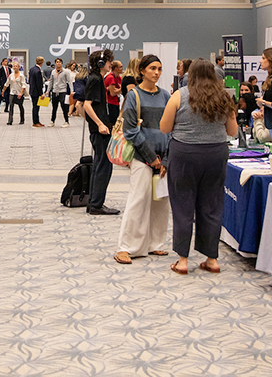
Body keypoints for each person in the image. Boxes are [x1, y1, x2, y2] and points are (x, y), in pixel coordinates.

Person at [160, 59, 237, 275]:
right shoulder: (225, 97)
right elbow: (232, 131)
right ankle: (211, 258)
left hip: (184, 154)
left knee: (183, 205)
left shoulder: (180, 95)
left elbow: (164, 127)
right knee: (212, 205)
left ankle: (183, 260)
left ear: (189, 74)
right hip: (215, 154)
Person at [114, 55, 171, 265]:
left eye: (159, 69)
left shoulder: (166, 96)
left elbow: (171, 128)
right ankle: (126, 247)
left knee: (161, 202)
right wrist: (150, 157)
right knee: (138, 200)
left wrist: (165, 158)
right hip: (141, 157)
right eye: (152, 68)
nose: (156, 73)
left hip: (163, 158)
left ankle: (155, 244)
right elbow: (130, 131)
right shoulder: (134, 95)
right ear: (142, 71)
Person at [82, 49, 118, 215]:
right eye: (109, 61)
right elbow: (87, 105)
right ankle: (96, 204)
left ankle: (94, 203)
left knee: (100, 165)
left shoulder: (96, 79)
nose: (112, 64)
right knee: (104, 166)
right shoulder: (96, 80)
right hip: (100, 130)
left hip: (100, 129)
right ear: (102, 63)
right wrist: (100, 124)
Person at [49, 57, 72, 126]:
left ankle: (66, 121)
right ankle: (52, 121)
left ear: (61, 63)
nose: (58, 63)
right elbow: (51, 81)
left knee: (64, 107)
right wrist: (48, 91)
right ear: (55, 63)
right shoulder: (53, 72)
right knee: (54, 108)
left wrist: (72, 90)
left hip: (62, 91)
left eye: (59, 62)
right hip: (54, 91)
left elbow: (69, 81)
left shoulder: (65, 72)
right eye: (57, 62)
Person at [104, 60, 123, 125]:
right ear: (116, 68)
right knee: (112, 123)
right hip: (110, 103)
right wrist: (121, 89)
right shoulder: (110, 77)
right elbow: (113, 93)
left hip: (117, 102)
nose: (122, 68)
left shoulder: (119, 78)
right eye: (120, 67)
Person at [29, 56, 46, 127]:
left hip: (32, 91)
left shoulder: (32, 69)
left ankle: (37, 121)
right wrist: (41, 93)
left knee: (34, 106)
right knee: (36, 107)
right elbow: (39, 84)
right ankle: (35, 122)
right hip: (36, 92)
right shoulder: (38, 71)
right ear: (42, 62)